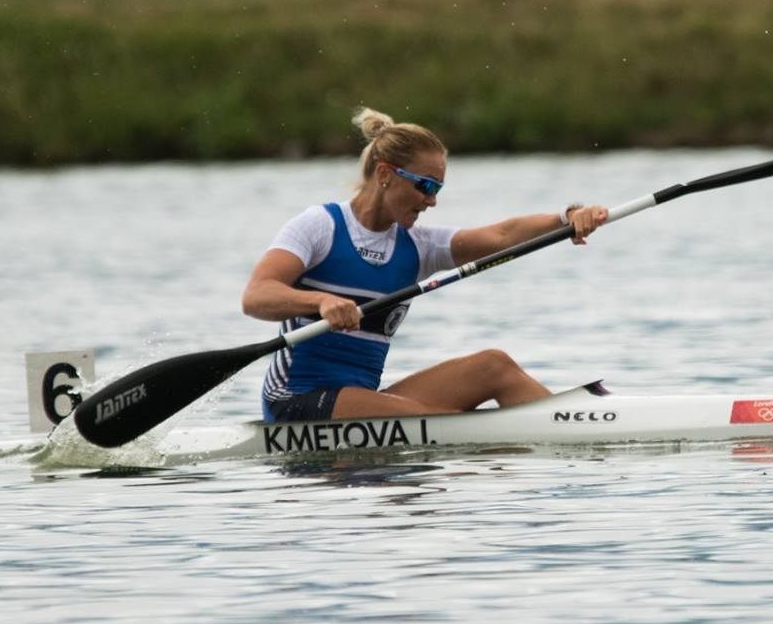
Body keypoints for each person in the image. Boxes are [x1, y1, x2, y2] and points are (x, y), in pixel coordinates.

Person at [243, 108, 610, 422]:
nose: (431, 201)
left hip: (363, 400)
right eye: (425, 186)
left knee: (494, 365)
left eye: (438, 189)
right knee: (444, 429)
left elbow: (501, 235)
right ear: (385, 174)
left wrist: (568, 216)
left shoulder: (419, 246)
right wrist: (319, 302)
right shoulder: (320, 226)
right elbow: (257, 296)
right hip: (297, 400)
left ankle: (576, 426)